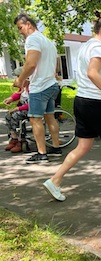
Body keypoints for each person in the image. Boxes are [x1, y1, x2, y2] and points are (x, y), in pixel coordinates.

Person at [42, 11, 101, 202]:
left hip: (82, 101)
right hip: (96, 104)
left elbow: (89, 75)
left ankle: (55, 180)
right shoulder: (100, 48)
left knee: (83, 147)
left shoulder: (86, 47)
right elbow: (93, 73)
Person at [13, 13, 61, 163]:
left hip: (39, 87)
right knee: (50, 117)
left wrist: (20, 80)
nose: (20, 31)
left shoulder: (32, 39)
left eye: (20, 27)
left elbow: (31, 64)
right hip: (51, 84)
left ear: (28, 24)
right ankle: (56, 148)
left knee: (35, 119)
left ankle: (42, 153)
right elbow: (56, 65)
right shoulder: (48, 41)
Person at [4, 67, 29, 153]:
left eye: (19, 76)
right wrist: (10, 98)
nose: (17, 79)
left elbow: (32, 104)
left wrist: (17, 108)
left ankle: (20, 140)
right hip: (23, 109)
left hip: (30, 109)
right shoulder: (24, 87)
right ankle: (14, 138)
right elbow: (18, 94)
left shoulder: (32, 87)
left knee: (15, 115)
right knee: (8, 115)